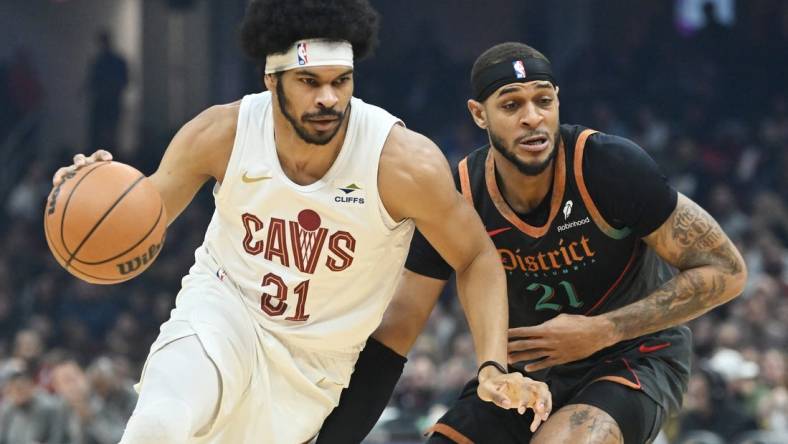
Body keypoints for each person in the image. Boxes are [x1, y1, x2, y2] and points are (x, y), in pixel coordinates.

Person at [52, 3, 550, 443]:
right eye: (310, 82)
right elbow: (142, 216)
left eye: (341, 82)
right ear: (273, 82)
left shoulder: (401, 163)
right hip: (222, 313)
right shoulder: (220, 132)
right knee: (156, 426)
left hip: (314, 366)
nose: (328, 99)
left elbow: (476, 255)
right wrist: (99, 193)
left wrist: (490, 364)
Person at [317, 41, 748, 443]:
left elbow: (726, 271)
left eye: (543, 100)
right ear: (478, 114)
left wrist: (604, 329)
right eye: (511, 105)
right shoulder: (460, 195)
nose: (532, 117)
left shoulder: (608, 167)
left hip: (633, 356)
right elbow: (398, 327)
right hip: (525, 375)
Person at [86, 30, 128, 151]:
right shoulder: (100, 61)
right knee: (101, 131)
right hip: (104, 101)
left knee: (110, 131)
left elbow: (124, 81)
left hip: (110, 101)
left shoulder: (111, 62)